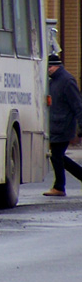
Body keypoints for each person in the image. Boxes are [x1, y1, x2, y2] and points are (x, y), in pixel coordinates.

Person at [44, 53, 82, 196]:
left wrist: (81, 126)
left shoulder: (67, 81)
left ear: (56, 66)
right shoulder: (53, 81)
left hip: (64, 126)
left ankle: (59, 186)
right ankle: (60, 185)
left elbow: (77, 105)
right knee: (57, 156)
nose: (48, 70)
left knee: (57, 156)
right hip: (55, 125)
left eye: (50, 67)